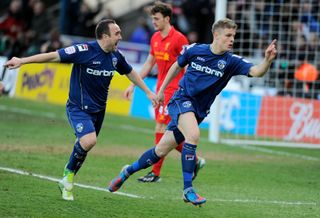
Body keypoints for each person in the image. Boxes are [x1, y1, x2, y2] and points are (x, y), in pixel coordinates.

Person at [108, 18, 277, 206]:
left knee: (160, 151)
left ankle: (127, 172)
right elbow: (176, 65)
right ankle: (188, 190)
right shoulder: (195, 50)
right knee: (194, 135)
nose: (232, 40)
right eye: (228, 36)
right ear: (216, 35)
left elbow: (257, 71)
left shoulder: (231, 62)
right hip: (181, 101)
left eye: (234, 36)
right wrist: (162, 90)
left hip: (198, 111)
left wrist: (267, 60)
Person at [4, 19, 159, 201]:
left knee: (85, 147)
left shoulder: (116, 56)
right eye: (117, 33)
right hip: (78, 107)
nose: (121, 36)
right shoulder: (84, 51)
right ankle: (68, 174)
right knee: (89, 141)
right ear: (104, 36)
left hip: (99, 110)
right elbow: (53, 56)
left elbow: (130, 72)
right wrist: (22, 60)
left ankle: (67, 179)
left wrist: (148, 92)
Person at [124, 2, 205, 183]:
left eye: (156, 18)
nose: (153, 21)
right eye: (152, 18)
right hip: (160, 89)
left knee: (161, 128)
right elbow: (149, 63)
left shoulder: (179, 39)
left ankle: (155, 173)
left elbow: (190, 65)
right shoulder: (154, 38)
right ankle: (196, 160)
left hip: (175, 92)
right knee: (168, 133)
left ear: (167, 19)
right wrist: (133, 84)